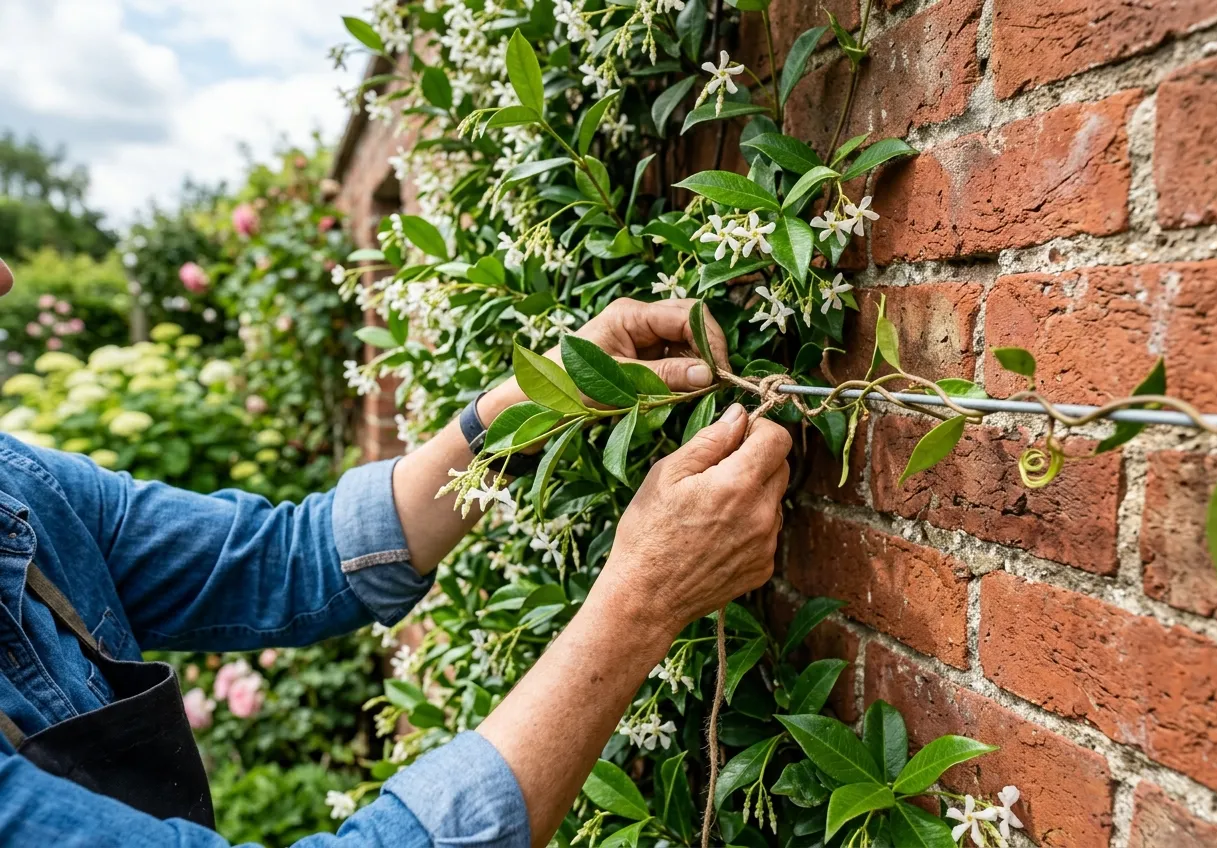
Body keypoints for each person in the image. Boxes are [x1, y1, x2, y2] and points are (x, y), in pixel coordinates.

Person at [0, 254, 792, 847]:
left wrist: (529, 408)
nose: (5, 276)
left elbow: (286, 558)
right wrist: (642, 600)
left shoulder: (19, 489)